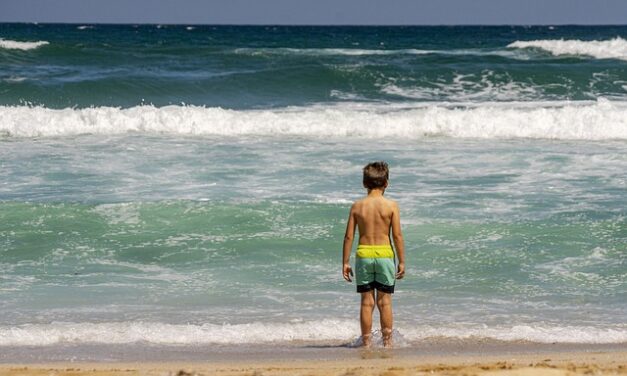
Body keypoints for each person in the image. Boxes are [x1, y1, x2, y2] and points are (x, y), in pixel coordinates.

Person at [342, 161, 405, 348]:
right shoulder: (391, 206)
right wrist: (402, 261)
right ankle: (387, 342)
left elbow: (348, 236)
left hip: (364, 255)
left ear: (364, 183)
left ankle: (367, 343)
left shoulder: (357, 207)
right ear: (386, 183)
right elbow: (397, 235)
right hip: (385, 255)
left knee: (366, 302)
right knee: (385, 302)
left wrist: (345, 262)